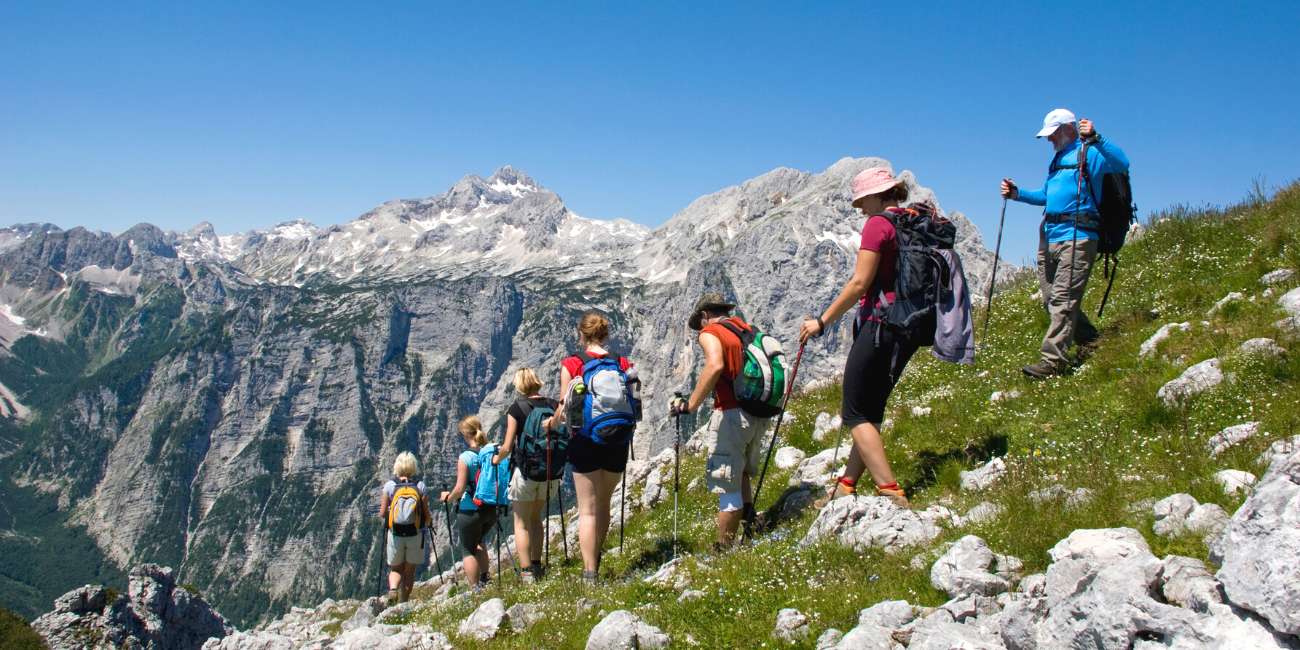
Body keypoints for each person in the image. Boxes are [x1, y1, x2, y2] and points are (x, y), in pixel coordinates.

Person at [798, 167, 924, 509]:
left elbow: (859, 283)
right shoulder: (911, 220)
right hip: (909, 326)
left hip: (880, 325)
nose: (859, 208)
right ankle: (847, 483)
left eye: (861, 200)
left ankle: (891, 490)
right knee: (872, 409)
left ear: (877, 194)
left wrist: (821, 322)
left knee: (854, 411)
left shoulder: (878, 225)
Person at [1001, 108, 1130, 379]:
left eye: (1052, 134)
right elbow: (1046, 195)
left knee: (1062, 299)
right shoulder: (1059, 160)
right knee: (1051, 299)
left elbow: (1122, 163)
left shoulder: (1089, 152)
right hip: (1051, 234)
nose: (1049, 140)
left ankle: (1053, 361)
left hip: (1078, 235)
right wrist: (1017, 194)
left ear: (1068, 129)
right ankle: (1092, 340)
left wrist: (1096, 137)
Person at [669, 293, 766, 549]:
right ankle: (751, 524)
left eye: (699, 324)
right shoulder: (745, 329)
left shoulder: (711, 331)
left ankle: (724, 551)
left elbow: (715, 365)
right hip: (757, 413)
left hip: (732, 414)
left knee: (727, 485)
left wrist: (691, 405)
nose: (700, 331)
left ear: (704, 316)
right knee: (742, 471)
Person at [550, 311, 634, 583]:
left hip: (585, 441)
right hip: (617, 439)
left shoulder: (572, 363)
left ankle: (589, 573)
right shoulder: (622, 362)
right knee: (604, 505)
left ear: (581, 335)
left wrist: (550, 424)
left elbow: (563, 410)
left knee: (587, 509)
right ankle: (596, 558)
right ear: (606, 334)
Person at [493, 367, 561, 583]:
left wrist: (497, 459)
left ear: (520, 385)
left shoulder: (517, 408)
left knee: (521, 522)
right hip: (550, 472)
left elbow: (507, 445)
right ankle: (538, 564)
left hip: (526, 472)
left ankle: (526, 572)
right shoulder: (552, 404)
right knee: (535, 519)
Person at [439, 416, 495, 591]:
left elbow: (460, 488)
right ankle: (486, 579)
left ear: (465, 434)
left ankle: (474, 588)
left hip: (470, 509)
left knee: (468, 549)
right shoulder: (491, 452)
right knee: (480, 541)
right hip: (491, 508)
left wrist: (448, 498)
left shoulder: (466, 457)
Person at [378, 451, 433, 604]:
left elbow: (382, 513)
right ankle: (404, 603)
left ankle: (393, 589)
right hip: (415, 534)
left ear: (397, 467)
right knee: (409, 571)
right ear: (413, 467)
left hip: (395, 534)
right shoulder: (420, 486)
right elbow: (426, 513)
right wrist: (429, 522)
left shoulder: (390, 486)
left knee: (395, 569)